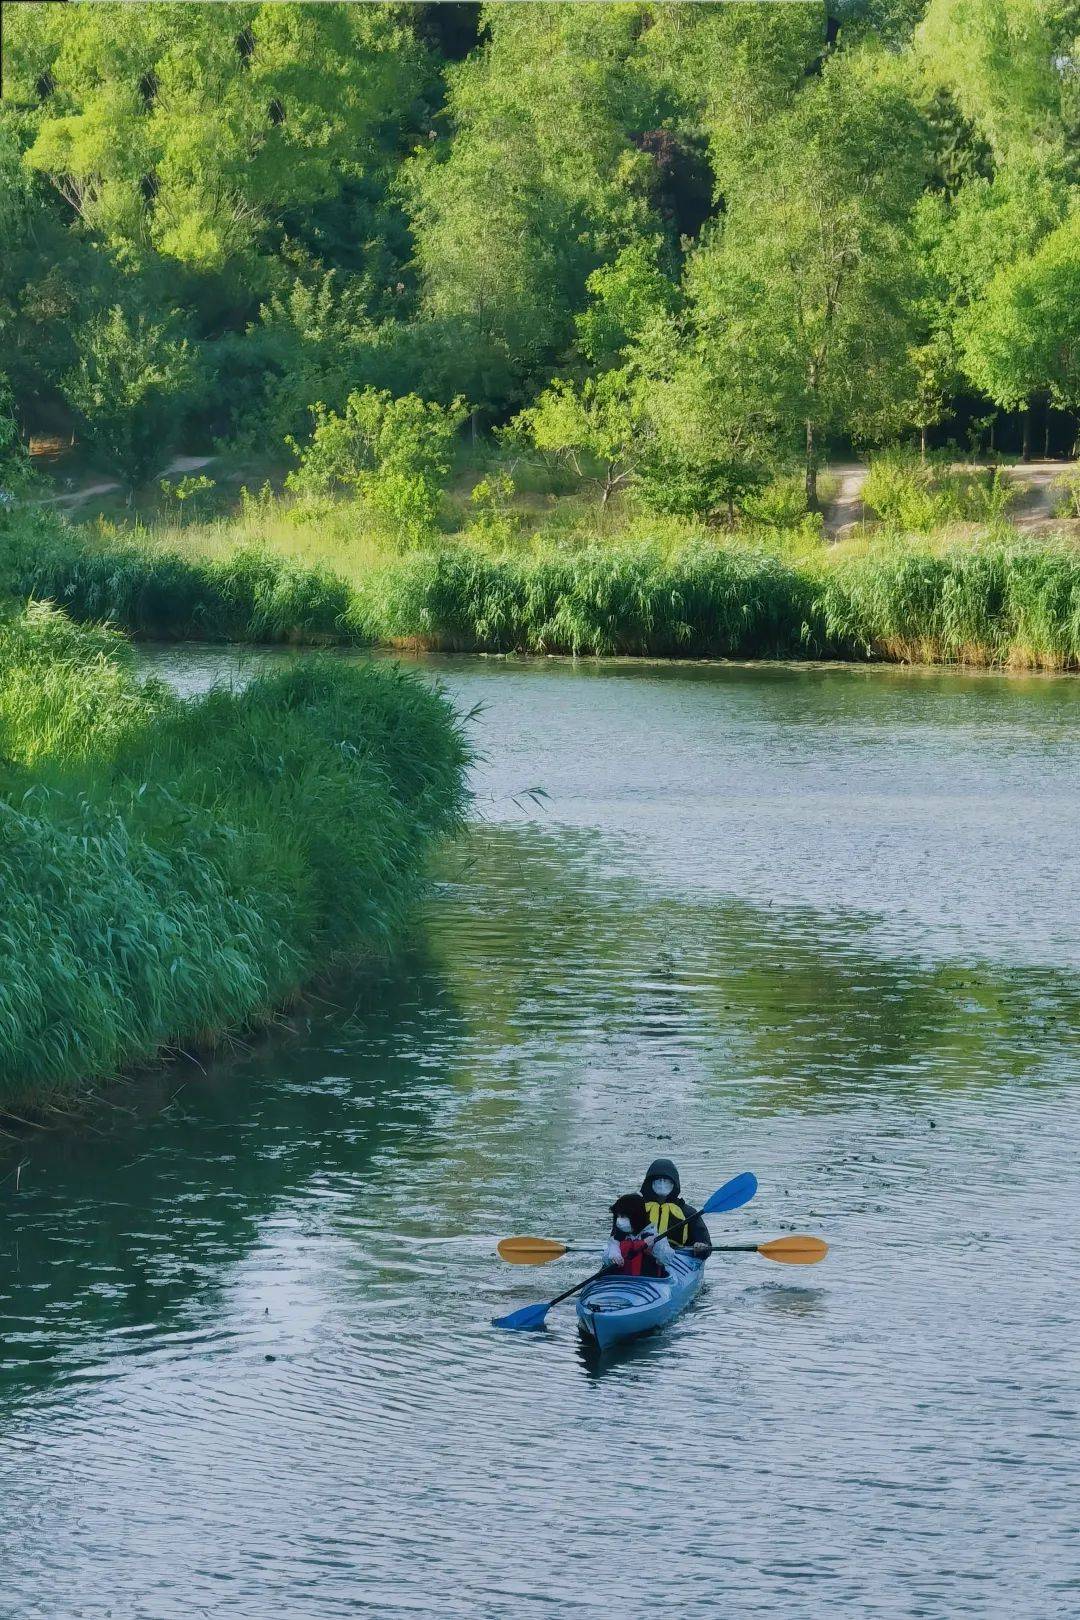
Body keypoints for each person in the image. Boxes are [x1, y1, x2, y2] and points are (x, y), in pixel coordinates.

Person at [640, 1157, 712, 1258]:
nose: (662, 1184)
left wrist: (701, 1246)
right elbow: (618, 1238)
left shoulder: (688, 1213)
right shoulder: (635, 1208)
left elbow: (706, 1244)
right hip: (641, 1257)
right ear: (650, 1183)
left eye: (667, 1181)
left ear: (674, 1184)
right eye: (658, 1180)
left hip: (676, 1261)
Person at [601, 1193, 676, 1276]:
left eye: (623, 1216)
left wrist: (655, 1247)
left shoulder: (655, 1236)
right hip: (620, 1282)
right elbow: (606, 1257)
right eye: (618, 1216)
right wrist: (613, 1256)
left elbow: (666, 1259)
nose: (619, 1220)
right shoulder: (616, 1239)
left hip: (647, 1281)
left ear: (637, 1216)